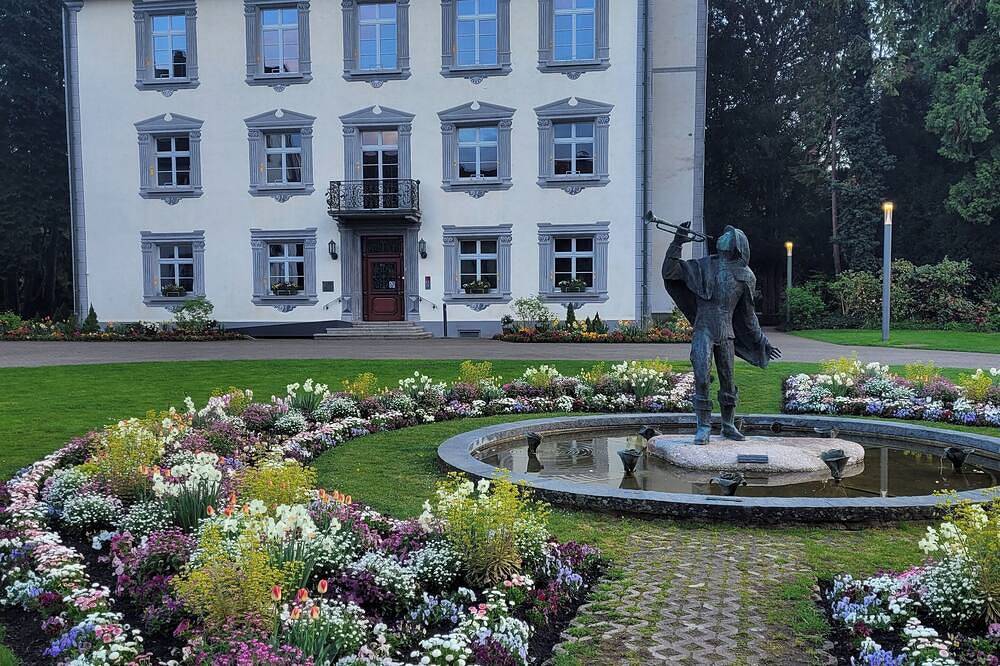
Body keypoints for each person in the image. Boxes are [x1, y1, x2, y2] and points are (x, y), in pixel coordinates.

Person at [662, 221, 781, 444]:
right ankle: (703, 426)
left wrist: (760, 339)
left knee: (728, 380)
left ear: (737, 245)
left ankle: (728, 425)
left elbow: (748, 315)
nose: (721, 237)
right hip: (703, 330)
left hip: (726, 333)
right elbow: (670, 271)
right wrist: (677, 242)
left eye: (728, 236)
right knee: (701, 377)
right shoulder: (703, 266)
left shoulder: (745, 276)